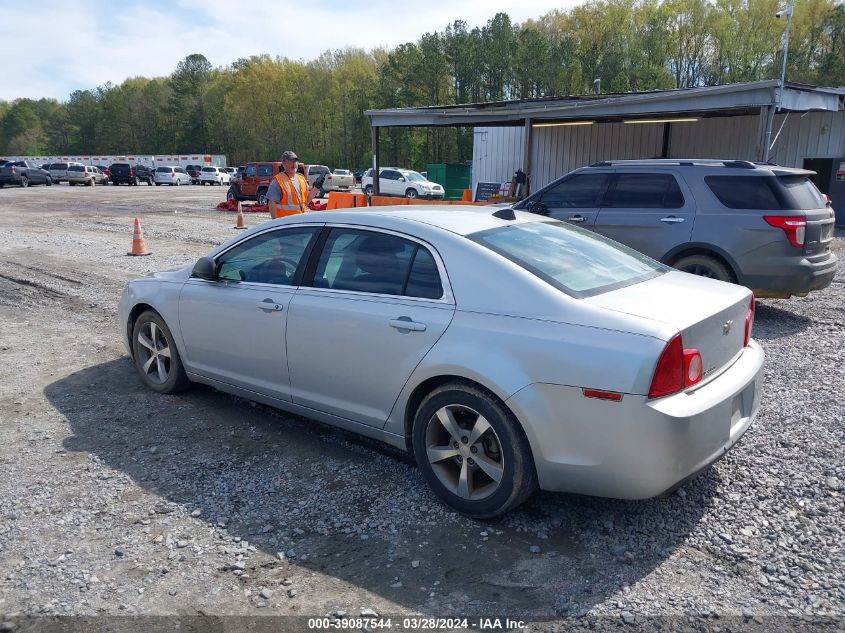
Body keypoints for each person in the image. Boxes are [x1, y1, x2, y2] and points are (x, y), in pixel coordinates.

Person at [266, 151, 322, 218]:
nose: (294, 164)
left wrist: (316, 188)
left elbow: (306, 201)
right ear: (283, 163)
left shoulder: (301, 179)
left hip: (301, 221)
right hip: (287, 224)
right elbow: (272, 203)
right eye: (290, 161)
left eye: (295, 161)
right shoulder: (278, 181)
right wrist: (275, 223)